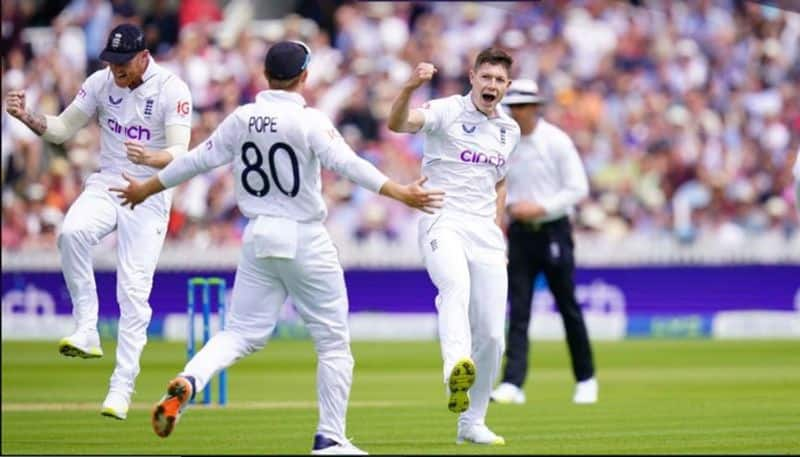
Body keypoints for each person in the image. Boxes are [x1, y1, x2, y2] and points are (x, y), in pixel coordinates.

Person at [110, 40, 444, 455]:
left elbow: (195, 160)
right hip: (305, 236)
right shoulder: (308, 120)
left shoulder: (242, 117)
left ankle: (191, 379)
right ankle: (329, 439)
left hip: (259, 234)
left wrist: (146, 187)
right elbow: (349, 164)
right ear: (304, 77)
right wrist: (400, 191)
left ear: (266, 76)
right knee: (334, 344)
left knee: (239, 333)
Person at [4, 23, 192, 420]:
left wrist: (150, 160)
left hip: (151, 191)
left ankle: (122, 388)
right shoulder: (100, 82)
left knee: (133, 293)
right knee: (71, 233)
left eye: (124, 63)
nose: (117, 70)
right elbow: (61, 129)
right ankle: (87, 327)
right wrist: (26, 117)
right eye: (112, 62)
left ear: (144, 57)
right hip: (108, 182)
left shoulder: (172, 89)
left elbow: (180, 152)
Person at [386, 48, 520, 445]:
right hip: (441, 217)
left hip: (485, 232)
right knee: (455, 289)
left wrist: (498, 231)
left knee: (494, 335)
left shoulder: (508, 131)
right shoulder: (446, 110)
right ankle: (454, 368)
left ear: (506, 86)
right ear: (472, 77)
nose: (491, 85)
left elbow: (499, 182)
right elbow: (398, 123)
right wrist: (411, 86)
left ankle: (472, 423)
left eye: (499, 80)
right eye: (486, 77)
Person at [489, 79, 598, 405]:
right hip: (521, 235)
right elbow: (496, 185)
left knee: (568, 307)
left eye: (522, 106)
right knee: (518, 311)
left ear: (536, 107)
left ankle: (585, 378)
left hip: (553, 232)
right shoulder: (504, 141)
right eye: (512, 107)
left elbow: (578, 188)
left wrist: (542, 207)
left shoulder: (556, 141)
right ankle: (513, 383)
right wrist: (510, 209)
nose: (516, 112)